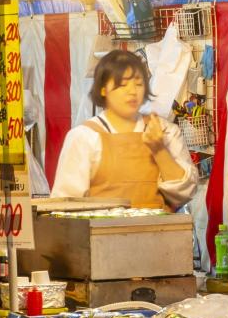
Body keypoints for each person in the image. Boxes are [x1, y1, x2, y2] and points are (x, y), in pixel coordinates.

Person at [50, 49, 198, 209]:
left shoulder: (164, 130)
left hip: (158, 231)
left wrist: (159, 149)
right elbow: (64, 204)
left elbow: (186, 192)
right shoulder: (83, 137)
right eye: (122, 84)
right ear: (103, 89)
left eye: (139, 84)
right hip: (100, 232)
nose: (132, 91)